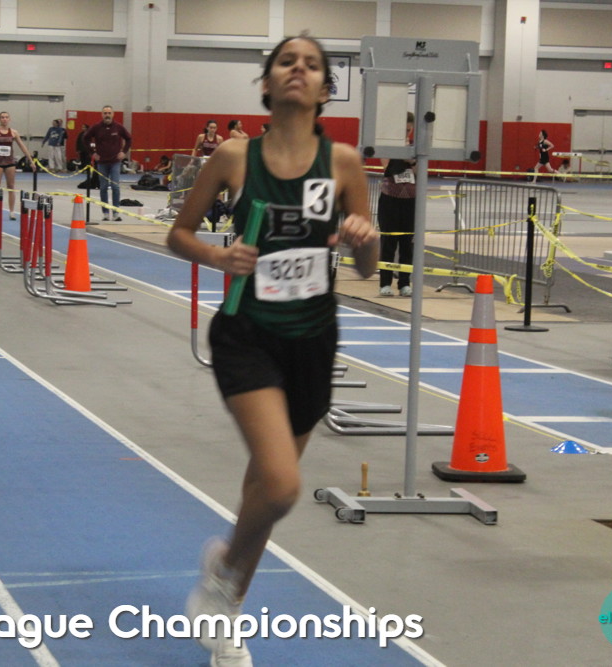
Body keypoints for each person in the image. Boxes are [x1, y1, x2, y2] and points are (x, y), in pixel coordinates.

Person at [166, 34, 378, 666]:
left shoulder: (344, 164)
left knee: (262, 487)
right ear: (266, 83)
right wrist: (217, 255)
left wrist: (364, 238)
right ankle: (222, 578)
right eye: (287, 62)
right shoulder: (234, 156)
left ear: (325, 90)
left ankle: (226, 607)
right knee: (282, 486)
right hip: (247, 334)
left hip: (311, 340)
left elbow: (368, 267)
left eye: (312, 65)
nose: (298, 70)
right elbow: (179, 234)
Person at [378, 112, 416, 297]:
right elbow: (387, 168)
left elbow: (420, 171)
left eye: (408, 130)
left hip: (410, 201)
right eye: (403, 130)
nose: (406, 133)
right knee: (388, 243)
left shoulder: (416, 148)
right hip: (390, 200)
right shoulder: (387, 146)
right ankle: (385, 283)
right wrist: (401, 156)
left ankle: (404, 283)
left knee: (407, 244)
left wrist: (412, 160)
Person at [85, 105, 132, 221]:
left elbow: (129, 138)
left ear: (113, 114)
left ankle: (115, 213)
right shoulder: (96, 127)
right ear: (102, 114)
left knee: (115, 187)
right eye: (105, 113)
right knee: (103, 188)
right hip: (102, 163)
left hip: (115, 162)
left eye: (109, 113)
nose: (107, 115)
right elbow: (85, 138)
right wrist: (92, 153)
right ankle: (105, 213)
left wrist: (124, 152)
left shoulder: (118, 127)